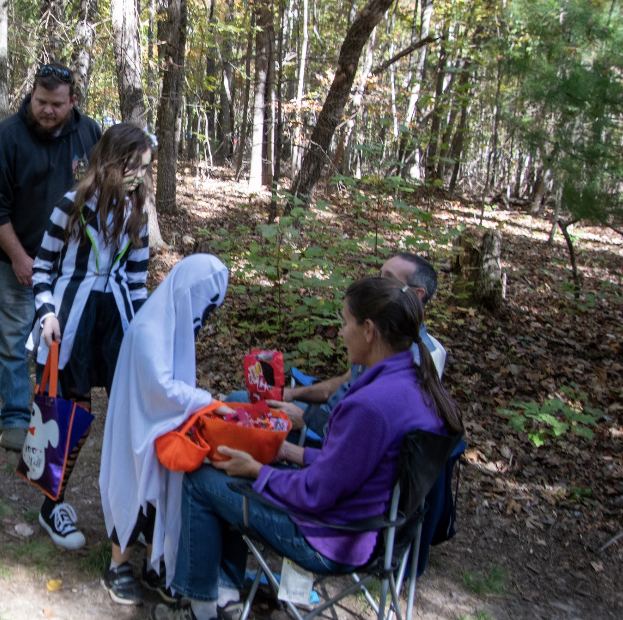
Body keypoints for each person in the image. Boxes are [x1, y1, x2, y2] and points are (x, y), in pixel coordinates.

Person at [158, 276, 465, 620]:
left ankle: (199, 609)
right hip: (384, 530)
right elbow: (355, 465)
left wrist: (257, 471)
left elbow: (315, 493)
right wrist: (291, 453)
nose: (340, 332)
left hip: (330, 538)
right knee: (233, 465)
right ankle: (226, 591)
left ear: (368, 330)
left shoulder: (369, 406)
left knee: (202, 479)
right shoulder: (418, 383)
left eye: (345, 322)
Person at [25, 123, 152, 550]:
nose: (139, 175)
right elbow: (42, 267)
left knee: (130, 419)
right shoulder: (72, 204)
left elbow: (137, 280)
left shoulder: (139, 211)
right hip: (71, 321)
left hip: (117, 323)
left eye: (145, 168)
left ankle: (138, 511)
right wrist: (46, 313)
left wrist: (142, 331)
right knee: (67, 416)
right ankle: (51, 505)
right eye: (133, 166)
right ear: (113, 161)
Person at [0, 62, 102, 452]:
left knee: (56, 342)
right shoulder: (5, 139)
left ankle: (49, 416)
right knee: (12, 340)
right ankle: (14, 416)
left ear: (73, 102)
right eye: (41, 101)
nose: (47, 110)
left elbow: (99, 193)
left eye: (56, 104)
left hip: (68, 267)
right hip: (13, 258)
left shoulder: (90, 133)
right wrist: (18, 257)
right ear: (31, 96)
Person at [99, 254, 230, 606]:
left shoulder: (172, 320)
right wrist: (208, 402)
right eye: (207, 305)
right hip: (138, 425)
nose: (206, 316)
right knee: (132, 487)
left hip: (163, 425)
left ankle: (156, 565)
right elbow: (161, 386)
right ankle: (117, 565)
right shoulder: (149, 328)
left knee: (164, 489)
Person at [228, 252, 448, 440]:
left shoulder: (406, 361)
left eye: (388, 279)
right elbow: (346, 381)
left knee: (234, 411)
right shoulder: (381, 337)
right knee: (237, 401)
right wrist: (293, 394)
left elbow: (360, 444)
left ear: (416, 295)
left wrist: (303, 420)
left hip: (328, 434)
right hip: (328, 420)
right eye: (379, 275)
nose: (377, 283)